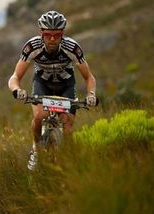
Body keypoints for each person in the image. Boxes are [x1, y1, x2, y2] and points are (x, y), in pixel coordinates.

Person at [7, 10, 97, 170]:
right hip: (43, 84)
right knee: (39, 115)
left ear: (63, 33)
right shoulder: (32, 46)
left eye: (57, 34)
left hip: (66, 85)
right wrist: (17, 90)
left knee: (68, 125)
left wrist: (91, 94)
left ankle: (69, 158)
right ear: (41, 32)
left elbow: (89, 77)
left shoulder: (73, 48)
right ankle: (35, 149)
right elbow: (15, 77)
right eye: (48, 34)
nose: (53, 39)